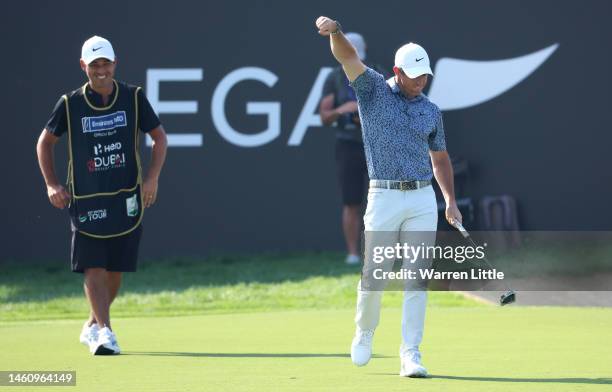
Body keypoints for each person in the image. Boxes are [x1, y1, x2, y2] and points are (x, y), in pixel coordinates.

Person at [316, 17, 462, 377]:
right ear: (397, 71)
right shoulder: (373, 91)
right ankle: (364, 331)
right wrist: (335, 32)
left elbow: (440, 158)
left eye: (425, 75)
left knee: (417, 278)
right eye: (415, 75)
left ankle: (410, 353)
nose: (421, 81)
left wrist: (449, 200)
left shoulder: (430, 110)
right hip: (383, 197)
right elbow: (348, 57)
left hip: (421, 200)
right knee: (374, 275)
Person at [36, 36, 168, 355]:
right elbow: (44, 143)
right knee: (93, 266)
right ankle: (106, 332)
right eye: (94, 65)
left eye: (105, 63)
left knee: (115, 271)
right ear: (84, 66)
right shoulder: (70, 103)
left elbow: (159, 139)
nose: (101, 70)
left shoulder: (134, 97)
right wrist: (52, 184)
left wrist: (151, 179)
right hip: (86, 200)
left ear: (115, 63)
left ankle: (93, 324)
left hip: (125, 198)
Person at [319, 32, 382, 265]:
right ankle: (353, 254)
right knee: (351, 202)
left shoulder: (376, 72)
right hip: (347, 146)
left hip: (375, 144)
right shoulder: (334, 78)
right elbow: (324, 116)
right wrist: (342, 109)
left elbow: (389, 107)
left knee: (381, 201)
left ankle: (379, 254)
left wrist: (365, 113)